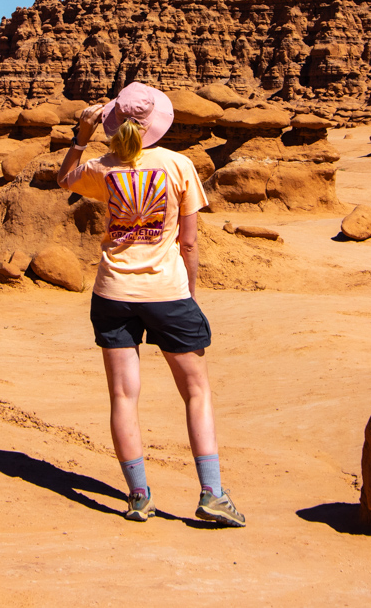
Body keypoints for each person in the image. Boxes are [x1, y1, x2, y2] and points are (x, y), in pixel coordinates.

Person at [57, 82, 245, 527]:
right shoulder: (179, 166)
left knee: (123, 396)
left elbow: (64, 179)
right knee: (196, 392)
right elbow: (191, 243)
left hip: (113, 293)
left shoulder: (104, 167)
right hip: (168, 294)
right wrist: (191, 298)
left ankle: (139, 496)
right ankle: (212, 494)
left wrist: (81, 137)